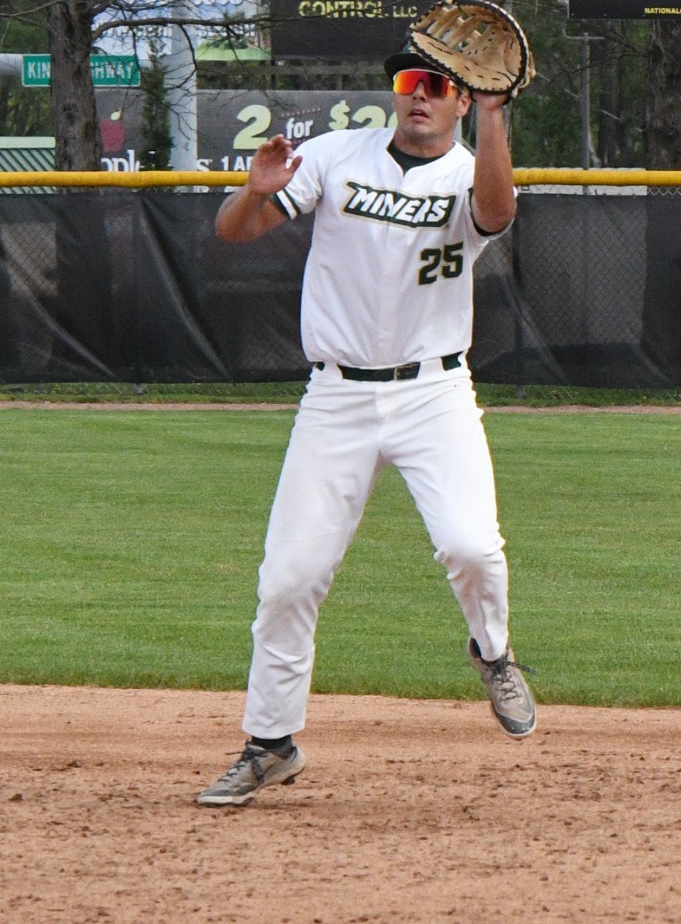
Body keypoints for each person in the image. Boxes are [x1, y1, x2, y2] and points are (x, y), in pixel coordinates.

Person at [197, 49, 534, 808]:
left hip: (435, 392)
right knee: (288, 578)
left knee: (471, 545)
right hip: (337, 396)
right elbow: (233, 231)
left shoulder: (469, 173)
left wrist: (493, 114)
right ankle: (271, 742)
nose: (418, 95)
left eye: (437, 86)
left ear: (458, 103)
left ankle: (494, 651)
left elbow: (500, 213)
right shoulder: (333, 156)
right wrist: (253, 193)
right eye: (408, 82)